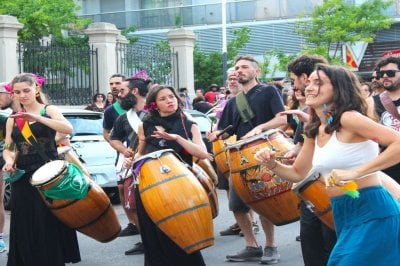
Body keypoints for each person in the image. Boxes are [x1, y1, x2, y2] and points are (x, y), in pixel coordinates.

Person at [254, 63, 400, 265]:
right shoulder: (315, 129)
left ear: (338, 88)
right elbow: (298, 173)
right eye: (310, 82)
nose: (309, 87)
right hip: (343, 214)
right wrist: (271, 164)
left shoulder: (349, 118)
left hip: (372, 211)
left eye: (319, 83)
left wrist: (356, 172)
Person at [207, 55, 286, 264]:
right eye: (237, 67)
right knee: (237, 205)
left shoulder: (269, 91)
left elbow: (282, 118)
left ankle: (270, 245)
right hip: (240, 157)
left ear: (256, 71)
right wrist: (217, 135)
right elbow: (227, 131)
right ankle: (251, 245)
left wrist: (259, 127)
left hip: (264, 153)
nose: (239, 70)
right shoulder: (233, 102)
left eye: (244, 67)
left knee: (264, 201)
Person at [2, 73, 81, 265]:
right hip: (23, 176)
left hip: (49, 173)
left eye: (26, 90)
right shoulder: (13, 118)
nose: (22, 95)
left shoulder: (48, 110)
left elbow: (68, 128)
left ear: (36, 89)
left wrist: (37, 117)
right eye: (17, 92)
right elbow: (9, 148)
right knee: (24, 220)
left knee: (47, 219)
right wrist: (9, 161)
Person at [132, 85, 210, 265]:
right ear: (154, 105)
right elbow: (140, 153)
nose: (170, 101)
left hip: (179, 185)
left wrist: (176, 138)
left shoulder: (189, 124)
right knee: (153, 237)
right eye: (163, 99)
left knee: (181, 233)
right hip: (150, 184)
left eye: (172, 97)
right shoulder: (146, 125)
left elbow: (202, 153)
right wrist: (133, 161)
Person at [281, 55, 337, 266]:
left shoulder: (345, 114)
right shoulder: (310, 114)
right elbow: (301, 148)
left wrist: (357, 173)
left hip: (339, 189)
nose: (296, 87)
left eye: (295, 80)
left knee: (332, 243)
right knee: (311, 240)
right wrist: (277, 162)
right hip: (311, 184)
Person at [109, 77, 149, 255]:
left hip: (155, 163)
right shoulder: (124, 117)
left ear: (134, 92)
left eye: (122, 91)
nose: (119, 94)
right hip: (133, 167)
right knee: (133, 205)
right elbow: (113, 138)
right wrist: (124, 150)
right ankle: (146, 239)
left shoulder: (155, 112)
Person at [374, 56, 400, 184]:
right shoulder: (371, 102)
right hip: (387, 164)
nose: (384, 76)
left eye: (390, 73)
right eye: (381, 73)